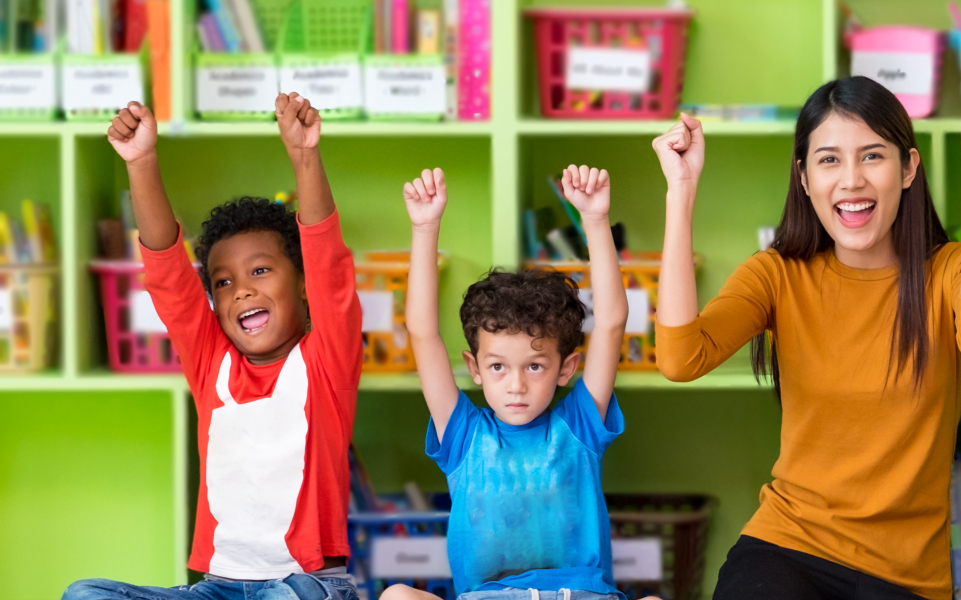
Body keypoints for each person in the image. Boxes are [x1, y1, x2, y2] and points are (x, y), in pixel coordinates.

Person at [649, 77, 961, 599]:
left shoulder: (949, 269)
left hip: (906, 576)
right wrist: (680, 195)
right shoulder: (777, 274)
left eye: (872, 156)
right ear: (804, 177)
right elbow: (682, 358)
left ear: (909, 168)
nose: (852, 180)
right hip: (788, 548)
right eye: (829, 160)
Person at [65, 95, 362, 600]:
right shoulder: (212, 363)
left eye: (261, 271)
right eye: (223, 283)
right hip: (218, 588)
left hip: (305, 584)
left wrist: (305, 157)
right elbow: (167, 273)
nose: (241, 290)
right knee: (85, 594)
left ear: (302, 282)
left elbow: (329, 266)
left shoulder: (324, 363)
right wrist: (140, 161)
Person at [375, 166, 645, 600]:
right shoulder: (463, 434)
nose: (515, 385)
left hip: (580, 596)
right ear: (475, 368)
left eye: (534, 367)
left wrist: (595, 220)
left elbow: (612, 323)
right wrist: (425, 228)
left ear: (566, 368)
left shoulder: (579, 426)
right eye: (498, 367)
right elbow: (422, 332)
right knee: (396, 597)